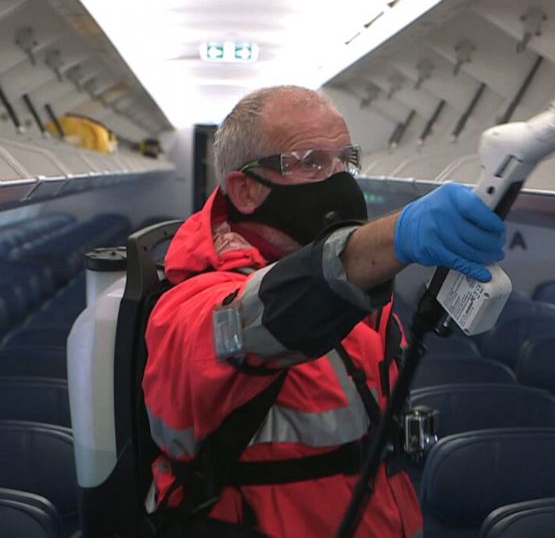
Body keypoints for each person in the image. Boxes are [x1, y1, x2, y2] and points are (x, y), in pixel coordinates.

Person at [143, 85, 506, 537]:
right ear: (246, 188)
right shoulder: (188, 305)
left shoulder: (354, 292)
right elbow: (262, 317)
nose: (340, 179)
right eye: (311, 162)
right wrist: (393, 238)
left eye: (345, 160)